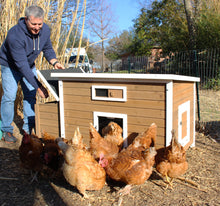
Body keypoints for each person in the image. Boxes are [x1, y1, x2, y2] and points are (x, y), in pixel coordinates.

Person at [0, 5, 65, 143]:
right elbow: (22, 66)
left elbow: (47, 48)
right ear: (26, 20)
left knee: (30, 96)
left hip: (28, 65)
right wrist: (38, 86)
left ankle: (28, 130)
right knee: (10, 96)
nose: (37, 27)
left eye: (39, 24)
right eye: (33, 24)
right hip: (10, 66)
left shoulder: (45, 30)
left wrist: (54, 62)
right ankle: (6, 130)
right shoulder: (14, 35)